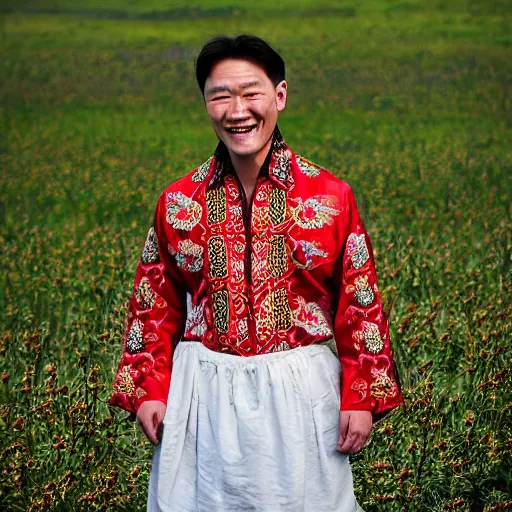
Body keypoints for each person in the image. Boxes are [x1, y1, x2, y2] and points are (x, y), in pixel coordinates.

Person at [109, 34, 404, 512]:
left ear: (280, 96)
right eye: (220, 95)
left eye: (251, 92)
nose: (237, 110)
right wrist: (148, 388)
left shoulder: (330, 197)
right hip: (202, 392)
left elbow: (360, 302)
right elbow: (154, 304)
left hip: (300, 392)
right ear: (205, 103)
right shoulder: (178, 201)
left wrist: (361, 396)